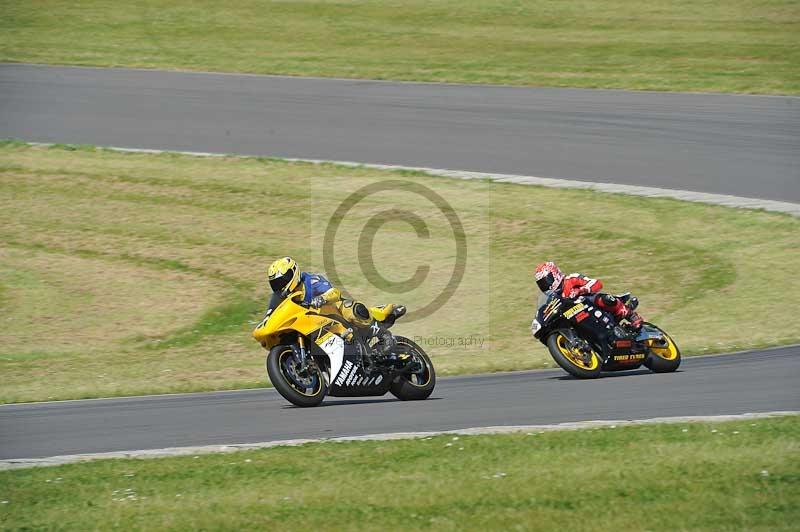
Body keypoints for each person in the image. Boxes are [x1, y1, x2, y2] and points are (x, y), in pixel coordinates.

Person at [266, 256, 400, 355]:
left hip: (336, 316)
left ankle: (384, 336)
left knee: (349, 307)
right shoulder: (283, 298)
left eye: (282, 280)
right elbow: (273, 314)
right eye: (276, 283)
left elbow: (334, 292)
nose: (280, 285)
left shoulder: (311, 281)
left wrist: (322, 298)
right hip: (315, 327)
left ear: (293, 273)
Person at [534, 261, 643, 330]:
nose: (546, 286)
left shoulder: (571, 279)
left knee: (602, 299)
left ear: (555, 274)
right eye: (542, 284)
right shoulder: (552, 298)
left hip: (591, 307)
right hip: (577, 319)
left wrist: (581, 290)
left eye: (546, 281)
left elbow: (597, 283)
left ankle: (632, 316)